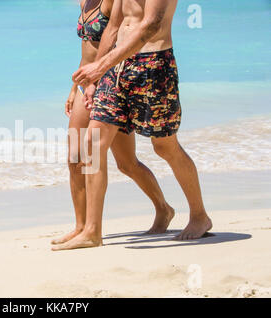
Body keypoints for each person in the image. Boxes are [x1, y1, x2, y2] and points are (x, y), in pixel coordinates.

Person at [53, 0, 213, 251]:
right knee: (92, 145)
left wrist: (101, 65)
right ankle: (92, 231)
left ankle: (199, 216)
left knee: (165, 148)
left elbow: (151, 25)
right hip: (117, 68)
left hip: (153, 65)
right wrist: (95, 76)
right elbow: (114, 27)